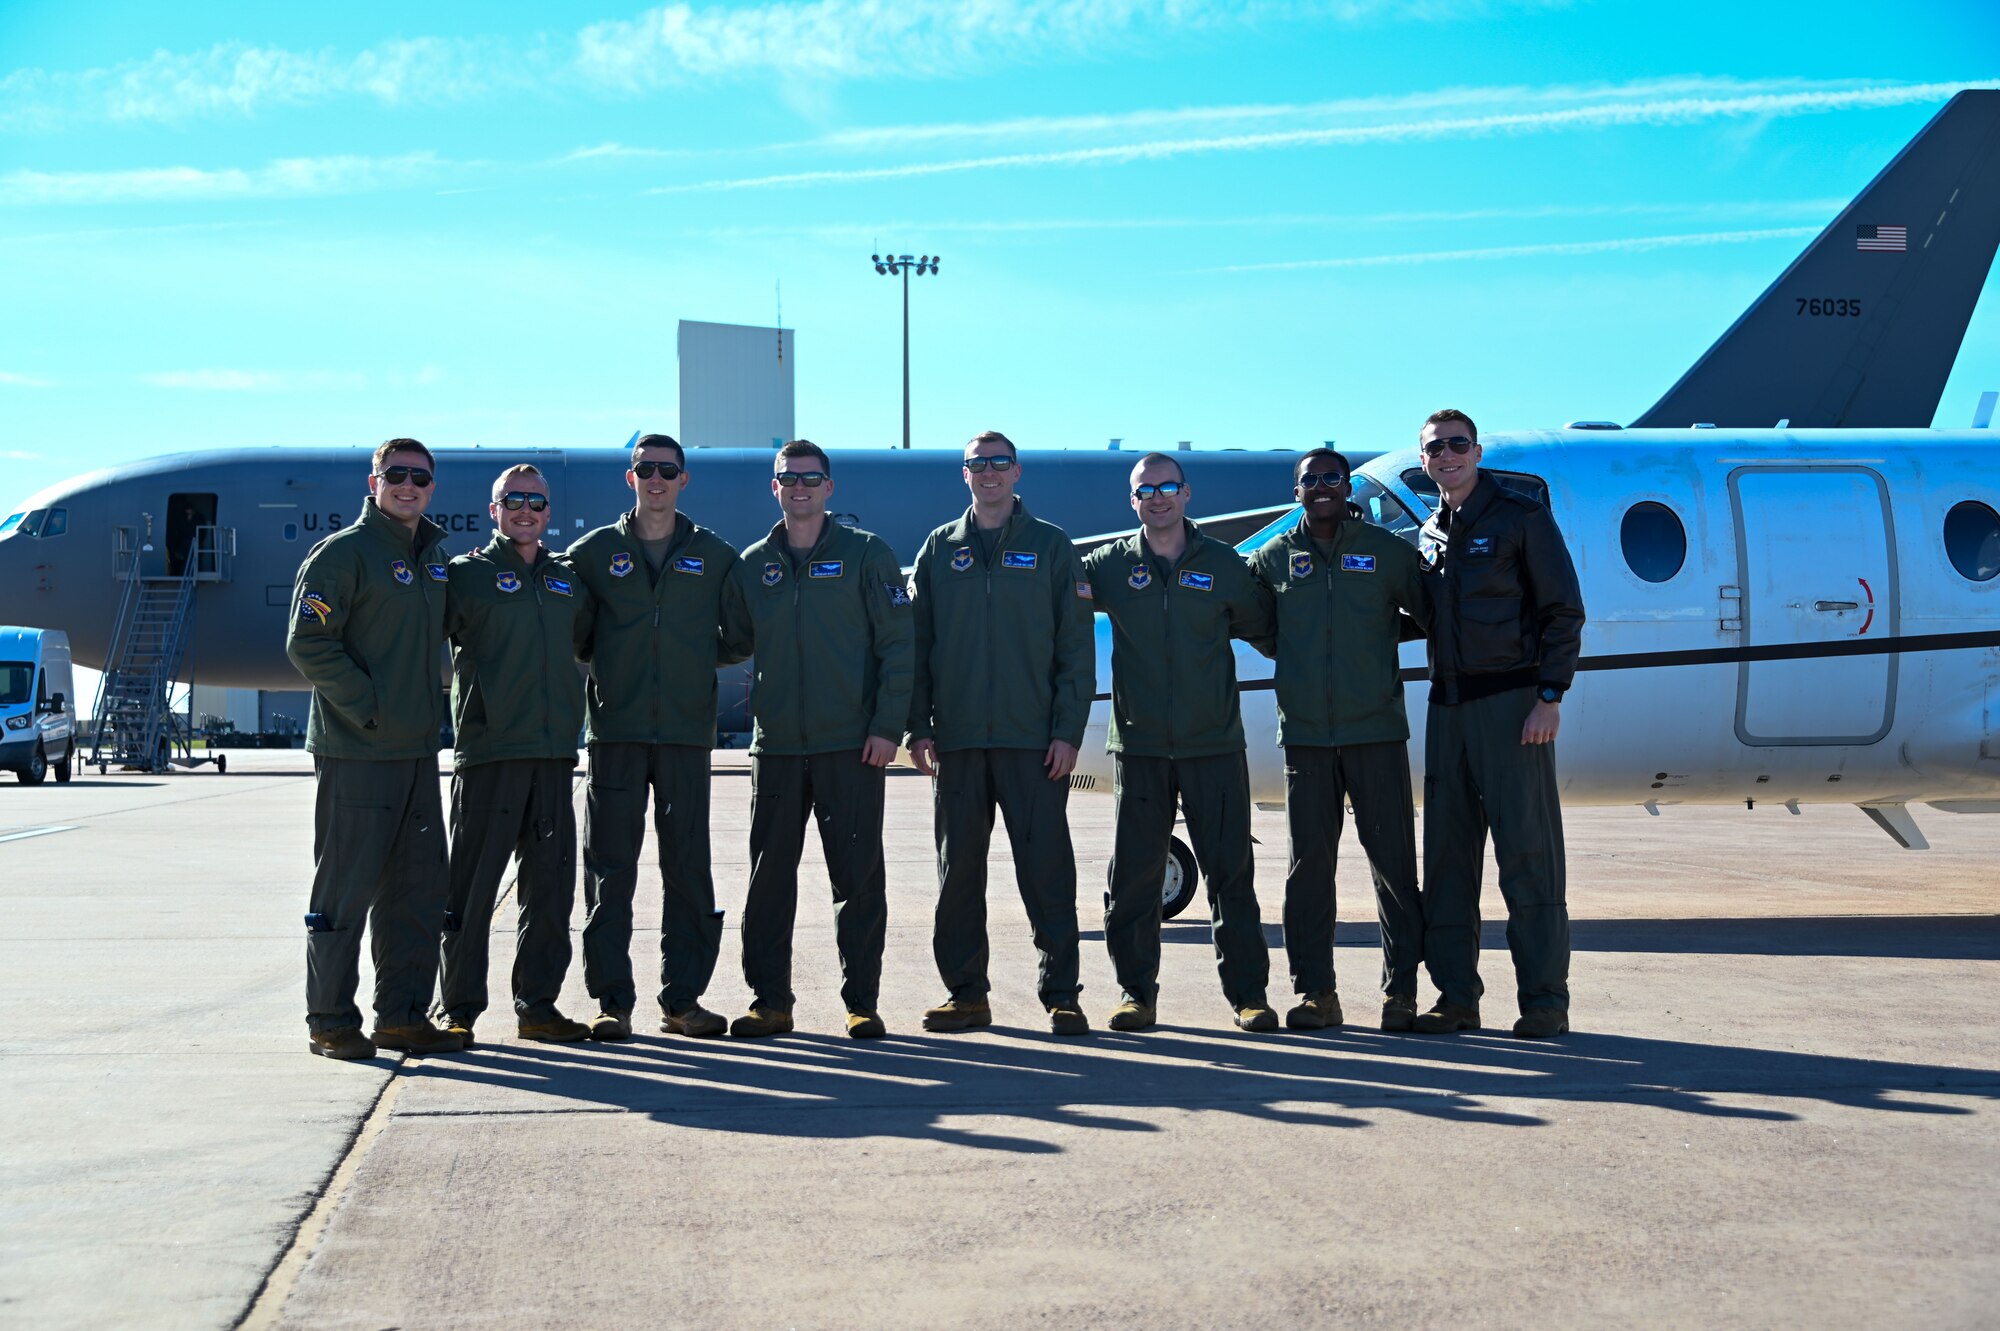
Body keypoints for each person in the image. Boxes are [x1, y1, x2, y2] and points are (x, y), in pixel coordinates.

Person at [718, 440, 914, 1039]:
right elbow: (729, 641)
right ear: (773, 487)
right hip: (775, 748)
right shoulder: (753, 564)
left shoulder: (867, 556)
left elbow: (898, 647)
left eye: (810, 478)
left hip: (849, 747)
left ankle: (862, 1002)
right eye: (788, 478)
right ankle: (770, 1002)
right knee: (768, 883)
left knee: (856, 882)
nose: (799, 487)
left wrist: (887, 728)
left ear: (830, 487)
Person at [1079, 453, 1278, 1033]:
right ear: (1132, 500)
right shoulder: (1109, 567)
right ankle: (1135, 994)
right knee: (1134, 880)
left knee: (1231, 876)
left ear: (1187, 494)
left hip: (1212, 746)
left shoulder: (1224, 565)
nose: (1158, 498)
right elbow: (1050, 614)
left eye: (1168, 487)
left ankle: (1248, 996)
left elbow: (1274, 634)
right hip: (1139, 748)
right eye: (1146, 490)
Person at [906, 431, 1095, 1036]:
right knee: (958, 874)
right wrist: (919, 727)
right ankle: (966, 995)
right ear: (965, 474)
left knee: (1046, 871)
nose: (988, 473)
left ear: (1017, 473)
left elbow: (1075, 649)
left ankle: (1062, 993)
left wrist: (1068, 731)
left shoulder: (1051, 547)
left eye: (999, 463)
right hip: (958, 743)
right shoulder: (940, 549)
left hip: (1032, 742)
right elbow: (919, 648)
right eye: (977, 464)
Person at [1408, 409, 1586, 1039]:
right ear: (1424, 458)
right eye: (1436, 448)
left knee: (1529, 855)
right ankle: (1456, 997)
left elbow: (1563, 610)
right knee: (1449, 860)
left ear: (1477, 452)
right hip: (1447, 709)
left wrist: (1550, 694)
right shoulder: (1429, 534)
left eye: (1458, 445)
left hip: (1513, 708)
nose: (1447, 455)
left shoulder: (1520, 518)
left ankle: (1544, 1001)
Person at [285, 438, 461, 1059]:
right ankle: (330, 1019)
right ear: (374, 480)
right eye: (397, 475)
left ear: (431, 487)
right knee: (345, 890)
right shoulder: (343, 555)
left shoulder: (432, 561)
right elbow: (309, 643)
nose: (408, 486)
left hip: (415, 753)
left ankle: (402, 1016)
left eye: (420, 477)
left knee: (415, 890)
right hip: (357, 751)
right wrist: (369, 707)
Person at [1246, 449, 1430, 1033]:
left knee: (1395, 868)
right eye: (1310, 480)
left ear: (1346, 485)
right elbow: (1259, 627)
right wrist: (1302, 657)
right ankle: (1316, 993)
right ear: (1295, 489)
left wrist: (1374, 640)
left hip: (1375, 732)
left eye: (1332, 477)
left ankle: (1400, 993)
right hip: (1305, 739)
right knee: (1308, 871)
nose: (1322, 487)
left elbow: (1430, 612)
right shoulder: (1271, 559)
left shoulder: (1386, 552)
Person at [569, 434, 741, 1041]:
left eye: (669, 469)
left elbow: (740, 635)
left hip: (685, 736)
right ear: (631, 477)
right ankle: (611, 1003)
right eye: (646, 469)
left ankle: (682, 999)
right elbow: (577, 634)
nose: (657, 478)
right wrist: (623, 666)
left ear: (684, 479)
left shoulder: (715, 556)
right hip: (615, 733)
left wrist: (688, 661)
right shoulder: (592, 554)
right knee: (609, 871)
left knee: (688, 868)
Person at [434, 464, 593, 1047]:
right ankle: (459, 1008)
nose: (525, 510)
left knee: (550, 892)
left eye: (535, 502)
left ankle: (539, 1007)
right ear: (493, 509)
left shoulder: (566, 581)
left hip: (552, 757)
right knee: (472, 890)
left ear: (549, 514)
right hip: (491, 755)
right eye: (513, 500)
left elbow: (591, 641)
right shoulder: (465, 577)